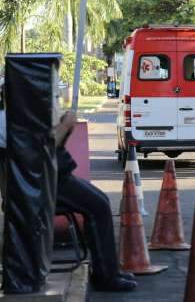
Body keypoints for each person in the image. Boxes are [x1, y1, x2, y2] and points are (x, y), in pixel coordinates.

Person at [54, 112, 137, 292]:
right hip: (47, 182)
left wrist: (64, 126)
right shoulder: (16, 115)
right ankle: (105, 277)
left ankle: (109, 269)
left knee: (101, 201)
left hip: (57, 174)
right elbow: (44, 146)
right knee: (97, 207)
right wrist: (64, 126)